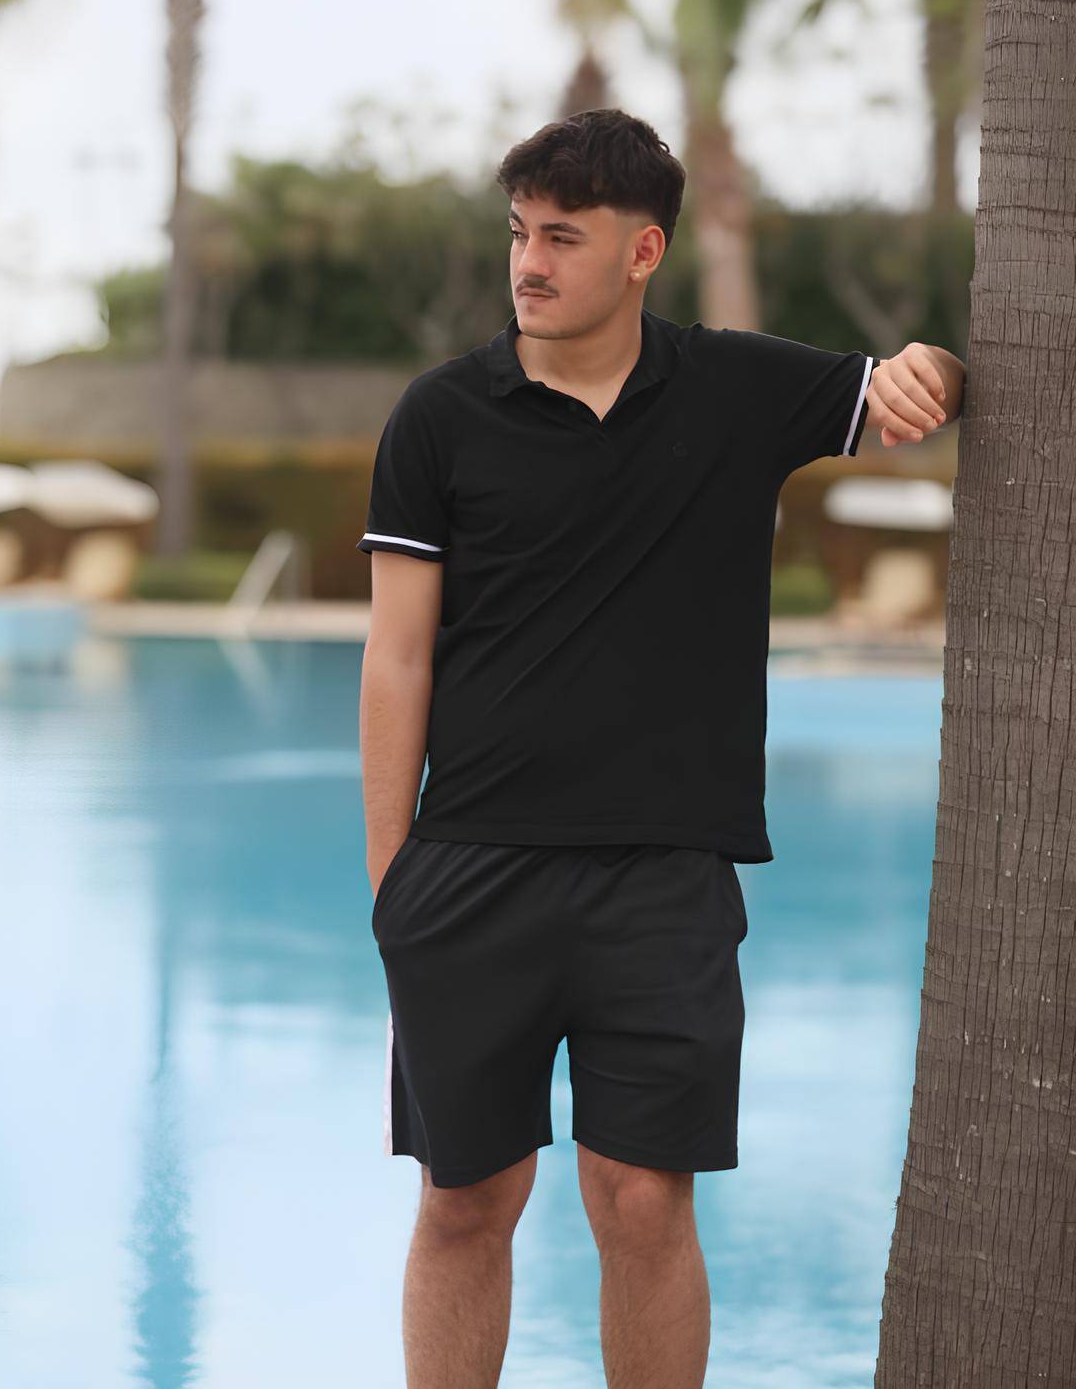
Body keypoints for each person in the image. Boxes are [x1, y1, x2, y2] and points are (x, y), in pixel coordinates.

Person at [356, 107, 965, 1387]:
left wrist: (937, 368)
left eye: (561, 239)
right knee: (465, 1202)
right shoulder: (440, 417)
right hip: (471, 873)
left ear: (644, 252)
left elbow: (908, 386)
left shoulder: (735, 389)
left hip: (665, 880)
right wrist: (392, 883)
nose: (528, 264)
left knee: (641, 1203)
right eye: (520, 233)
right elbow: (397, 657)